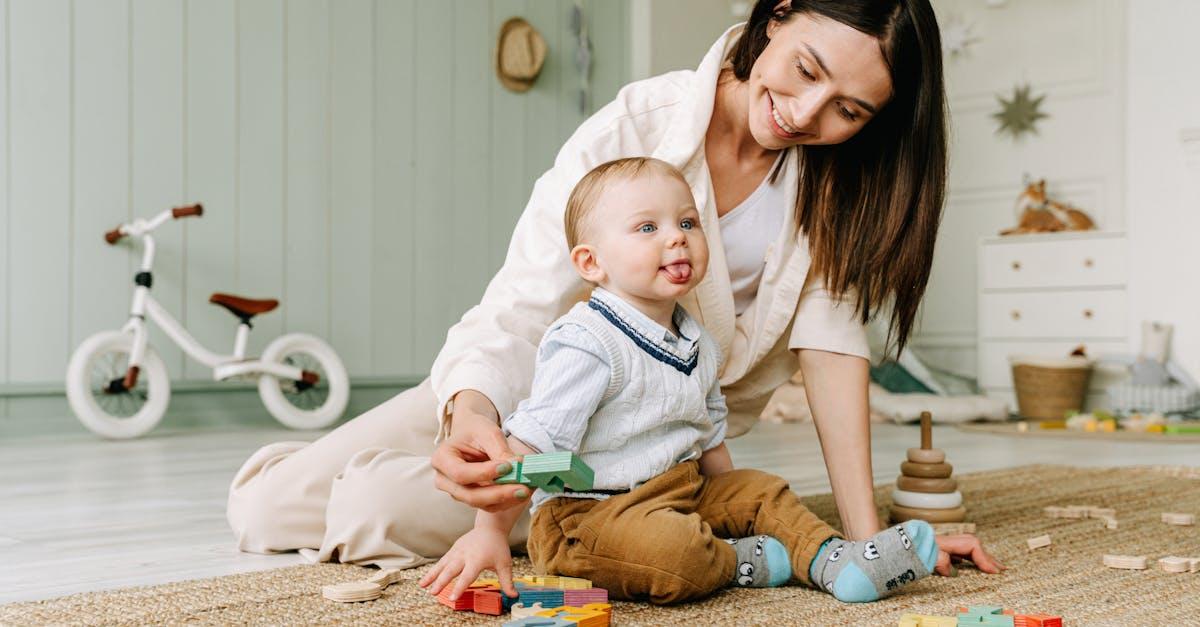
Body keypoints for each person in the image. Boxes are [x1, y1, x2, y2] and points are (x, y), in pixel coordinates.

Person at [227, 0, 1002, 578]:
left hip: (643, 452)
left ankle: (591, 516)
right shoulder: (634, 127)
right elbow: (519, 307)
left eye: (848, 110)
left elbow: (832, 352)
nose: (805, 113)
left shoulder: (837, 189)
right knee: (263, 507)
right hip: (536, 393)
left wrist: (868, 542)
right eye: (806, 70)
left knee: (371, 509)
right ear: (781, 13)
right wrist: (470, 413)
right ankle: (407, 463)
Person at [418, 156, 942, 605]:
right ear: (591, 262)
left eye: (688, 223)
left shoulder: (697, 339)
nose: (677, 238)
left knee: (765, 491)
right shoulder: (587, 342)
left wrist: (735, 505)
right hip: (588, 519)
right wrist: (488, 530)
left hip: (679, 490)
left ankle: (838, 562)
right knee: (675, 551)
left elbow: (708, 434)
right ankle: (737, 560)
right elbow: (532, 448)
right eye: (648, 228)